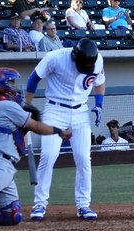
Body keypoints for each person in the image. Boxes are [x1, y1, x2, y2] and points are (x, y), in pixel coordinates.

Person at [25, 38, 105, 221]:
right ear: (75, 56)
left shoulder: (97, 59)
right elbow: (34, 77)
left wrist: (99, 104)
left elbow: (99, 82)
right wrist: (27, 106)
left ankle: (83, 205)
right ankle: (39, 204)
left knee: (84, 158)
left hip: (80, 112)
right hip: (55, 110)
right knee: (48, 155)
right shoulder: (56, 57)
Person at [0, 67, 71, 226]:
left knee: (13, 214)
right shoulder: (5, 106)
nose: (15, 86)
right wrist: (59, 131)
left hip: (6, 164)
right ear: (1, 84)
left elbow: (12, 132)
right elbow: (36, 127)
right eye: (11, 82)